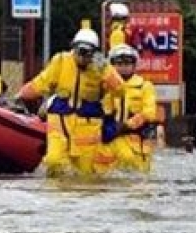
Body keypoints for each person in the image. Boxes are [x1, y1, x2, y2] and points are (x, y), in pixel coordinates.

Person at [16, 26, 124, 176]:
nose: (82, 56)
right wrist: (22, 94)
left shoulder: (101, 68)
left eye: (88, 53)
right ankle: (57, 195)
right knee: (54, 160)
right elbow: (42, 82)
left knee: (85, 172)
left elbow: (119, 89)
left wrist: (105, 68)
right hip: (60, 119)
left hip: (88, 123)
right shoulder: (61, 61)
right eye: (80, 51)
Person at [94, 44, 158, 174]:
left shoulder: (145, 86)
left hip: (134, 139)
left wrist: (127, 125)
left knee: (134, 173)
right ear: (112, 65)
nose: (123, 67)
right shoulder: (103, 86)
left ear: (134, 65)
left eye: (128, 63)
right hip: (109, 136)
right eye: (119, 63)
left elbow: (149, 113)